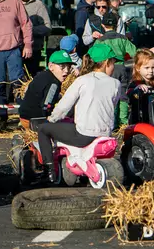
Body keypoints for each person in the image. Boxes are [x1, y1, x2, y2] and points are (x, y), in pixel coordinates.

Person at [36, 43, 121, 183]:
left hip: (83, 135)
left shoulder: (82, 80)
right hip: (105, 133)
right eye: (114, 63)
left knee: (43, 129)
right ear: (106, 63)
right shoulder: (116, 84)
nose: (114, 67)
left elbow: (64, 106)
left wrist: (52, 118)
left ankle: (49, 170)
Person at [95, 11, 137, 128]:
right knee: (122, 94)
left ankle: (112, 122)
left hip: (106, 68)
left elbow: (93, 55)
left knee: (109, 95)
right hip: (121, 68)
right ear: (117, 25)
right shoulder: (123, 39)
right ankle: (123, 121)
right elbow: (135, 53)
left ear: (103, 25)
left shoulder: (100, 40)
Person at [18, 50, 74, 128]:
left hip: (24, 116)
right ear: (51, 66)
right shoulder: (54, 83)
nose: (66, 71)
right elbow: (46, 106)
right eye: (62, 67)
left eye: (69, 67)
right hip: (35, 121)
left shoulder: (42, 75)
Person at [18, 0, 52, 76]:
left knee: (31, 76)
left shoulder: (39, 5)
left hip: (33, 49)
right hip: (15, 49)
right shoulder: (13, 3)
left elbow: (48, 28)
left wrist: (29, 30)